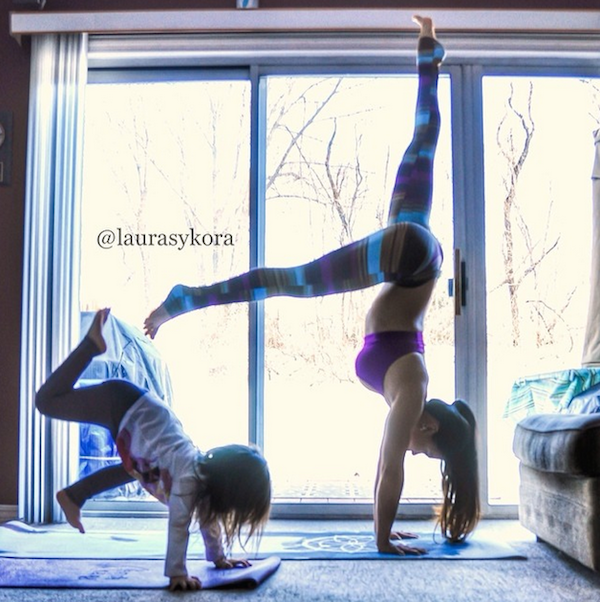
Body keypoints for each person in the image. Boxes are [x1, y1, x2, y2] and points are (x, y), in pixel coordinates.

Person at [144, 16, 480, 554]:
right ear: (433, 427)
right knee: (291, 281)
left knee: (423, 144)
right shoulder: (414, 391)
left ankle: (428, 52)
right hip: (412, 257)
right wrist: (382, 543)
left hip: (416, 256)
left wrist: (382, 525)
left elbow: (384, 462)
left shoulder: (410, 394)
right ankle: (188, 298)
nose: (417, 452)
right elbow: (392, 467)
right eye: (428, 451)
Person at [35, 308, 272, 591]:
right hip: (124, 404)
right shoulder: (188, 481)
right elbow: (178, 525)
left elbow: (209, 522)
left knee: (134, 470)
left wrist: (219, 558)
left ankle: (73, 496)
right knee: (46, 402)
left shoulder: (202, 487)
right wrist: (177, 573)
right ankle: (91, 346)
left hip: (135, 423)